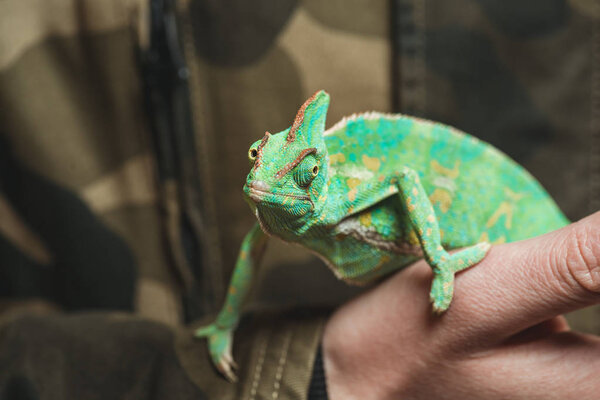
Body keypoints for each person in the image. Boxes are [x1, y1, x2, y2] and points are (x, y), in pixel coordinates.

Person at [0, 0, 598, 399]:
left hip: (502, 220)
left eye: (302, 176)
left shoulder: (338, 191)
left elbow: (406, 182)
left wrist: (440, 262)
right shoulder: (283, 204)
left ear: (320, 174)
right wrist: (236, 329)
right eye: (260, 162)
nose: (266, 185)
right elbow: (252, 245)